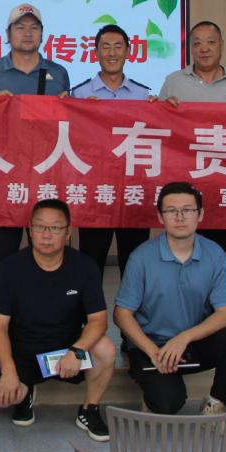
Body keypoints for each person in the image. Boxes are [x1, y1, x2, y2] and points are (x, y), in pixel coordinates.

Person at [0, 3, 71, 358]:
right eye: (19, 27)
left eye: (33, 27)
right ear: (7, 33)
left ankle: (45, 333)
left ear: (42, 34)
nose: (27, 33)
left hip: (46, 176)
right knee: (0, 261)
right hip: (3, 179)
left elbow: (70, 127)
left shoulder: (58, 72)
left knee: (49, 256)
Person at [113, 182, 226, 416]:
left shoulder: (215, 254)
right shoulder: (141, 257)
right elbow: (121, 314)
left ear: (200, 214)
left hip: (193, 342)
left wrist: (184, 338)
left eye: (187, 210)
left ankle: (216, 404)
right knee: (167, 403)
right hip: (152, 346)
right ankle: (154, 393)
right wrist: (152, 351)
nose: (180, 217)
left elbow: (225, 314)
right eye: (171, 210)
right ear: (160, 217)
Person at [0, 199, 115, 443]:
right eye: (40, 227)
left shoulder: (85, 266)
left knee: (105, 349)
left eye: (55, 228)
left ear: (68, 232)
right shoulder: (9, 268)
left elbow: (99, 320)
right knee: (2, 397)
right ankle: (25, 392)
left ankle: (89, 410)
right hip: (22, 351)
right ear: (30, 229)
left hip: (66, 352)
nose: (47, 235)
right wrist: (9, 372)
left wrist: (77, 351)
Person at [156, 20, 226, 258]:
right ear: (190, 49)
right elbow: (157, 126)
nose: (204, 49)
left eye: (210, 42)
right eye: (197, 44)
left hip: (223, 179)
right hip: (184, 180)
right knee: (181, 248)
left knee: (220, 251)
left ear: (221, 45)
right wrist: (163, 108)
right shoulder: (174, 81)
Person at [71, 23, 153, 280]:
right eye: (105, 47)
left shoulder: (144, 95)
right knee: (91, 262)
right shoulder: (79, 94)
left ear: (129, 51)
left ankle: (134, 308)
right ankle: (89, 308)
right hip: (95, 192)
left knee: (135, 264)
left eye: (118, 46)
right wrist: (78, 111)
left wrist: (163, 110)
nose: (112, 53)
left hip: (133, 191)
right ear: (96, 52)